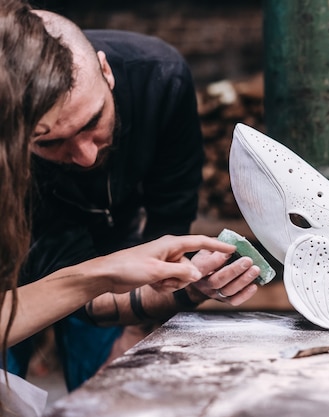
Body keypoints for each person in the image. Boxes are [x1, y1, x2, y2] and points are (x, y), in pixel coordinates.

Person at [5, 4, 261, 392]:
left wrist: (177, 289)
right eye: (51, 142)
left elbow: (170, 217)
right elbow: (58, 273)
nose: (86, 156)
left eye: (93, 122)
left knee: (107, 391)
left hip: (116, 250)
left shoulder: (159, 77)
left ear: (106, 72)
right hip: (10, 269)